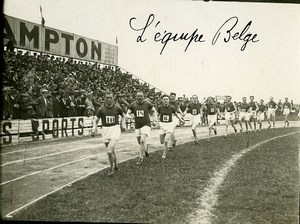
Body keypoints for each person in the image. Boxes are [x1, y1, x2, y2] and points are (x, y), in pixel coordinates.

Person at [91, 91, 125, 176]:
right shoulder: (101, 109)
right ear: (104, 99)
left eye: (110, 97)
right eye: (107, 98)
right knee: (112, 150)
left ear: (113, 98)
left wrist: (122, 124)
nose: (109, 99)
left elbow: (123, 116)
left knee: (109, 151)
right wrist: (94, 129)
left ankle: (111, 168)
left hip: (115, 129)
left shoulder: (117, 108)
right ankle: (116, 163)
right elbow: (95, 120)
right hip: (105, 130)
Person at [126, 91, 157, 165]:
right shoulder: (133, 105)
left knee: (142, 140)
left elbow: (154, 111)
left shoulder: (147, 104)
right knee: (140, 142)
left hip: (146, 124)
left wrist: (154, 120)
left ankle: (140, 157)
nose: (140, 97)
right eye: (138, 96)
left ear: (143, 97)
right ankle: (145, 149)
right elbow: (127, 114)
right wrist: (131, 116)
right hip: (137, 125)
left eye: (141, 96)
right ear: (136, 97)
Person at [157, 95, 184, 159]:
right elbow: (157, 115)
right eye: (164, 99)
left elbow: (176, 114)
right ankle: (168, 145)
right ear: (162, 100)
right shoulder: (160, 107)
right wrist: (157, 123)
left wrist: (181, 120)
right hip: (162, 124)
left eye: (166, 99)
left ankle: (164, 154)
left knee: (166, 140)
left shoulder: (172, 107)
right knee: (162, 141)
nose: (165, 100)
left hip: (169, 124)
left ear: (168, 100)